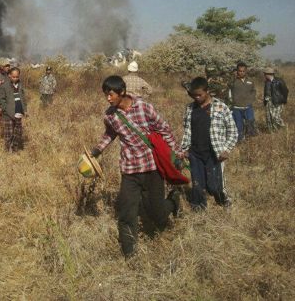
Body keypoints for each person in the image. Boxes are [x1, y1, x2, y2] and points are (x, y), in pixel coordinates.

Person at [89, 75, 181, 259]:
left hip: (152, 167)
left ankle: (173, 202)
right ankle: (129, 252)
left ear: (122, 92)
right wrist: (97, 150)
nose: (108, 98)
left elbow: (164, 128)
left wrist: (176, 153)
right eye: (105, 95)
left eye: (111, 94)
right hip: (130, 169)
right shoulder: (110, 115)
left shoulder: (144, 107)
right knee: (126, 211)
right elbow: (110, 134)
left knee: (158, 215)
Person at [181, 77, 237, 210]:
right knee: (197, 183)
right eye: (194, 95)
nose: (197, 98)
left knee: (214, 185)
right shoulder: (190, 108)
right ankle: (198, 207)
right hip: (195, 152)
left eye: (200, 94)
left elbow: (233, 131)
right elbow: (187, 130)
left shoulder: (220, 107)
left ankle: (224, 200)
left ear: (207, 91)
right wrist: (184, 149)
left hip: (214, 153)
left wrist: (226, 149)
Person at [0, 67, 27, 152]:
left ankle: (14, 149)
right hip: (8, 114)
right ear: (9, 75)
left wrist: (25, 109)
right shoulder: (5, 86)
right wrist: (5, 108)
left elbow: (23, 98)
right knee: (8, 133)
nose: (15, 78)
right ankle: (7, 149)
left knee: (18, 132)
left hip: (18, 112)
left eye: (17, 77)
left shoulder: (20, 85)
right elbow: (1, 99)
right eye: (13, 77)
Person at [228, 62, 257, 140]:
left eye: (243, 71)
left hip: (248, 107)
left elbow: (253, 91)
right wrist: (233, 77)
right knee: (238, 126)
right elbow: (227, 88)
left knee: (250, 123)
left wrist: (250, 100)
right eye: (240, 71)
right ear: (237, 71)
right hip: (236, 108)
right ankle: (240, 141)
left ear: (246, 71)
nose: (241, 72)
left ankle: (250, 141)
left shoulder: (250, 80)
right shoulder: (233, 81)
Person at [263, 67, 289, 132]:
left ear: (268, 74)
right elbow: (265, 92)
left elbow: (285, 91)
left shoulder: (279, 81)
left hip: (277, 102)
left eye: (265, 74)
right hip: (268, 102)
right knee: (269, 118)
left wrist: (283, 100)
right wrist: (265, 101)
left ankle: (284, 128)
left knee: (276, 117)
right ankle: (272, 131)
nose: (264, 75)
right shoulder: (267, 82)